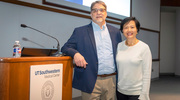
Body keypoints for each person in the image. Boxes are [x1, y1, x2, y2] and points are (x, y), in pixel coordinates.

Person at [61, 1, 122, 99]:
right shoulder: (80, 31)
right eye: (95, 10)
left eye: (101, 10)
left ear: (106, 13)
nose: (98, 13)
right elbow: (65, 47)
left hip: (112, 80)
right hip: (90, 80)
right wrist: (76, 54)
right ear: (91, 14)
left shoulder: (115, 32)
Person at [116, 17, 152, 100]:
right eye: (125, 27)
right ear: (122, 30)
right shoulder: (119, 46)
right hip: (120, 91)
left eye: (132, 27)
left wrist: (144, 95)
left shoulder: (144, 47)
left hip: (136, 93)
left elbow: (147, 73)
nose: (129, 30)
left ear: (137, 30)